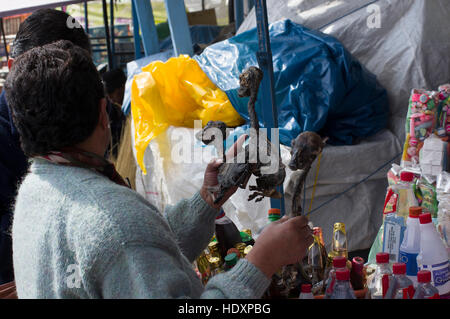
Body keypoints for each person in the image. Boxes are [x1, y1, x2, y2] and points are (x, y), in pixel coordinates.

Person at [5, 40, 313, 298]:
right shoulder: (112, 220)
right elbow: (126, 243)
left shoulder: (34, 193)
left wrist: (206, 200)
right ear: (103, 112)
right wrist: (261, 262)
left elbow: (138, 255)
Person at [0, 8, 91, 285]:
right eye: (40, 74)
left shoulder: (81, 114)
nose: (59, 94)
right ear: (14, 67)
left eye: (74, 82)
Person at [101, 68, 126, 158]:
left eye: (112, 92)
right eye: (108, 94)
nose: (110, 97)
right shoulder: (107, 110)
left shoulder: (132, 109)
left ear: (123, 88)